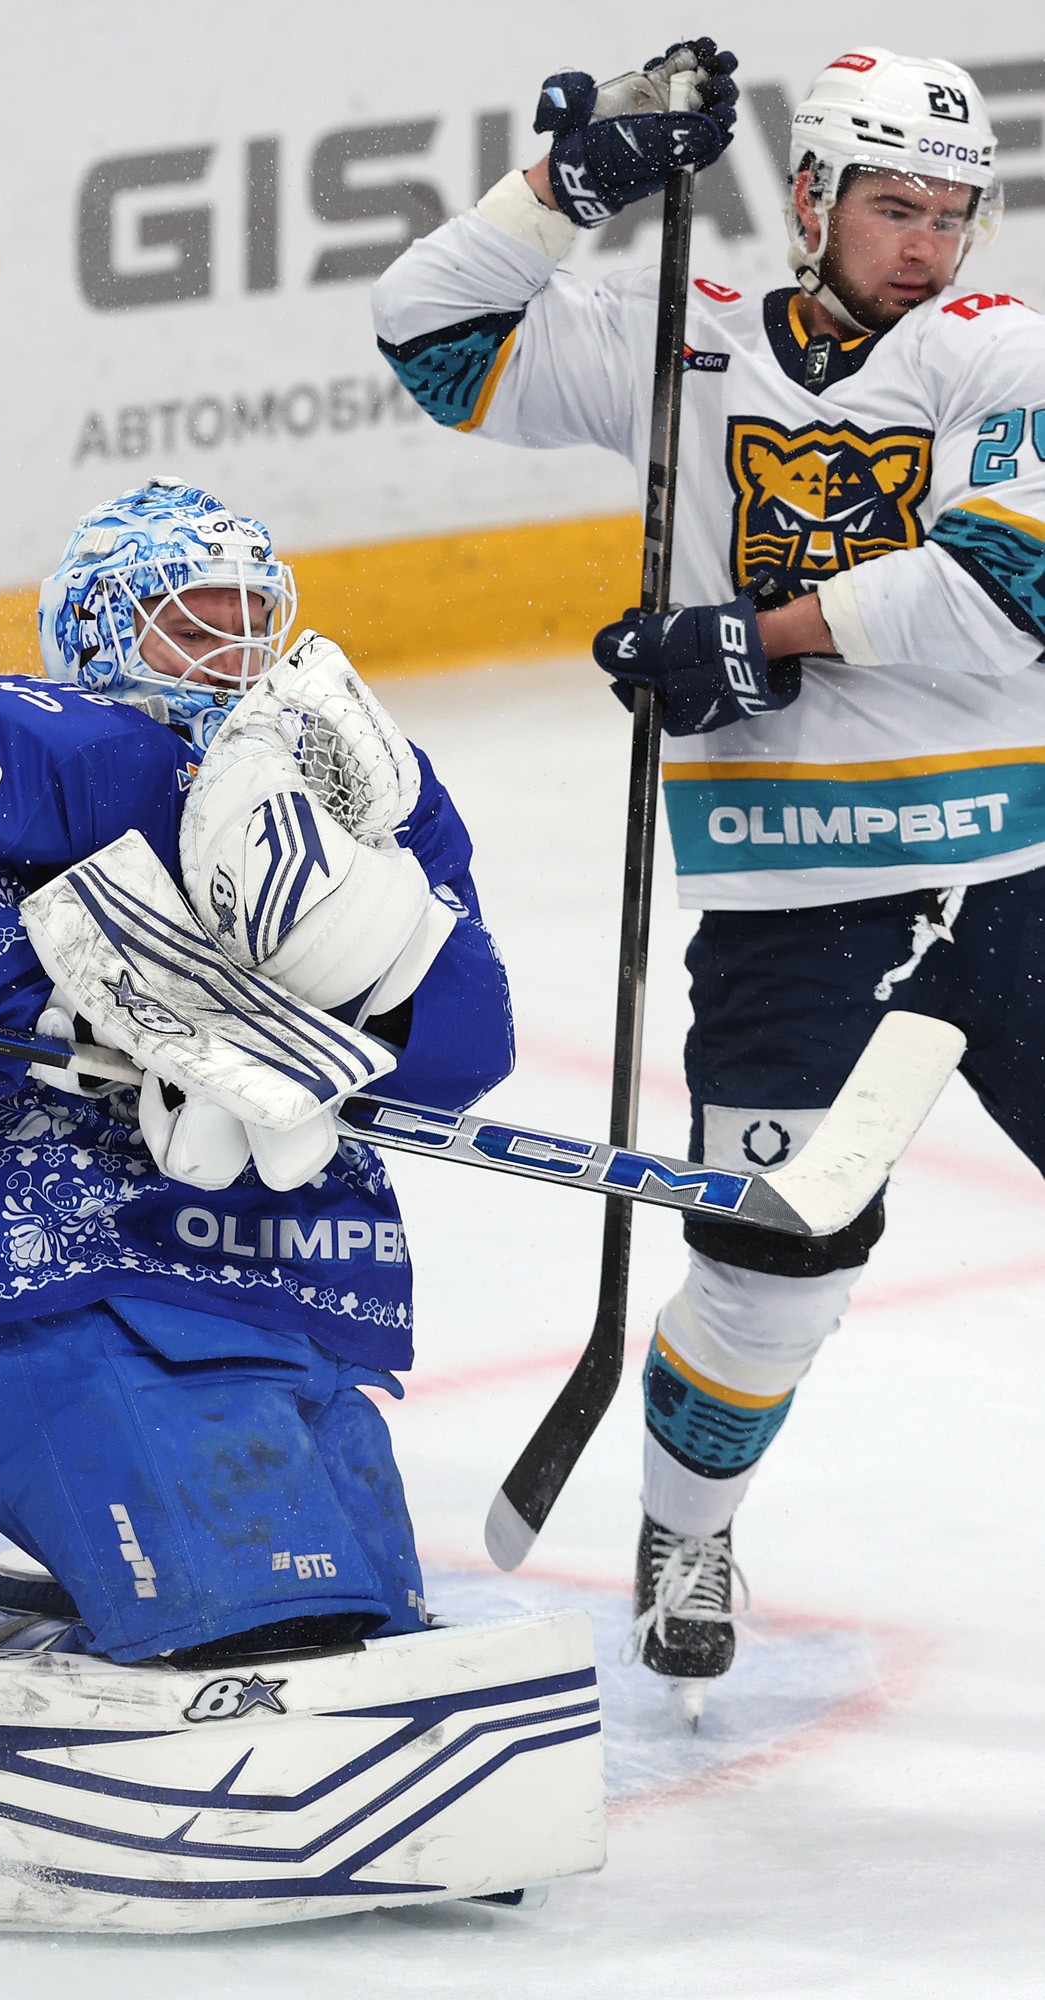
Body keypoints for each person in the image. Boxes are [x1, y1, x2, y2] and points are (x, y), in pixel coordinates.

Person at [373, 43, 1045, 1705]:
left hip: (1014, 871)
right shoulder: (681, 335)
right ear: (809, 196)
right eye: (891, 207)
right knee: (769, 1267)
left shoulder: (999, 349)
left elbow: (1003, 590)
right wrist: (571, 187)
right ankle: (686, 1534)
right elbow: (429, 341)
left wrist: (750, 639)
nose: (925, 244)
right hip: (785, 897)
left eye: (949, 213)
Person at [0, 476, 515, 1668]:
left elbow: (458, 1050)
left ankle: (38, 1618)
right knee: (260, 1632)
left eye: (255, 618)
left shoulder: (362, 777)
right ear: (94, 628)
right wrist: (115, 1026)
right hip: (72, 1278)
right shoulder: (16, 735)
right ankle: (5, 1662)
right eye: (193, 622)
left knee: (361, 1635)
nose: (236, 655)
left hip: (295, 1280)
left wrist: (374, 954)